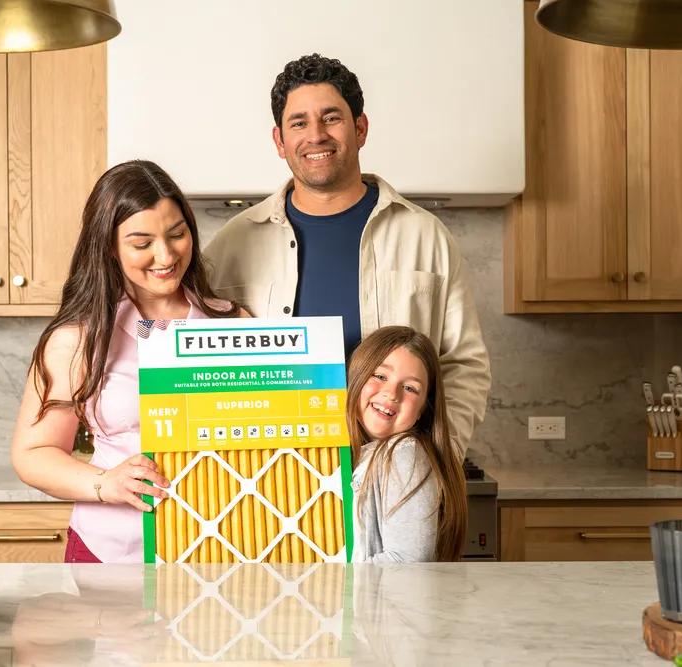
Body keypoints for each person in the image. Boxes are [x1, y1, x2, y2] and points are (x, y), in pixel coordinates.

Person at [205, 53, 491, 460]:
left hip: (394, 482)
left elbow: (465, 365)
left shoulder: (426, 236)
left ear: (360, 128)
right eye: (299, 123)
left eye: (331, 118)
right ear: (279, 140)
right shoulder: (232, 245)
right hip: (273, 482)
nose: (316, 135)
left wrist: (435, 457)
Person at [11, 160, 243, 563]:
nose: (165, 255)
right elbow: (33, 453)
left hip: (220, 552)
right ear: (109, 247)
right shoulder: (78, 339)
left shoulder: (234, 322)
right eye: (141, 243)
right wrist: (107, 483)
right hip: (113, 552)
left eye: (177, 234)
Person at [346, 326, 467, 562]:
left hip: (382, 599)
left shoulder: (404, 453)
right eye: (380, 376)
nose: (392, 394)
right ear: (356, 378)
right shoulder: (359, 453)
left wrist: (326, 580)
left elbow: (407, 562)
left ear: (423, 409)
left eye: (410, 388)